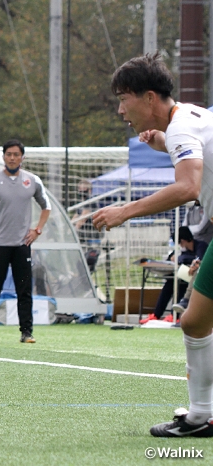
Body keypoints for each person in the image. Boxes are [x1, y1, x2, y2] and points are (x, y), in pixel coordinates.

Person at [92, 52, 213, 437]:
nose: (119, 109)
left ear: (149, 98)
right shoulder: (188, 118)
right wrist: (163, 143)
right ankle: (201, 416)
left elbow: (188, 187)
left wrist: (125, 211)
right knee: (194, 321)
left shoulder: (180, 129)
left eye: (124, 98)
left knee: (196, 322)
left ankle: (201, 416)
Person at [0, 139, 51, 344]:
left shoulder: (33, 180)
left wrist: (37, 230)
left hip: (22, 244)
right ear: (3, 156)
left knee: (24, 288)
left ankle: (27, 332)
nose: (13, 158)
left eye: (16, 154)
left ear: (22, 157)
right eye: (9, 154)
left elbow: (46, 206)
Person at [139, 226, 207, 324]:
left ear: (183, 240)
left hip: (197, 278)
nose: (179, 245)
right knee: (170, 283)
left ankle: (175, 314)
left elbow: (199, 259)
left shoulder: (201, 246)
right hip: (184, 275)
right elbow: (170, 260)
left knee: (181, 283)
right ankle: (157, 314)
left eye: (179, 242)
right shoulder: (180, 251)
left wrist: (182, 259)